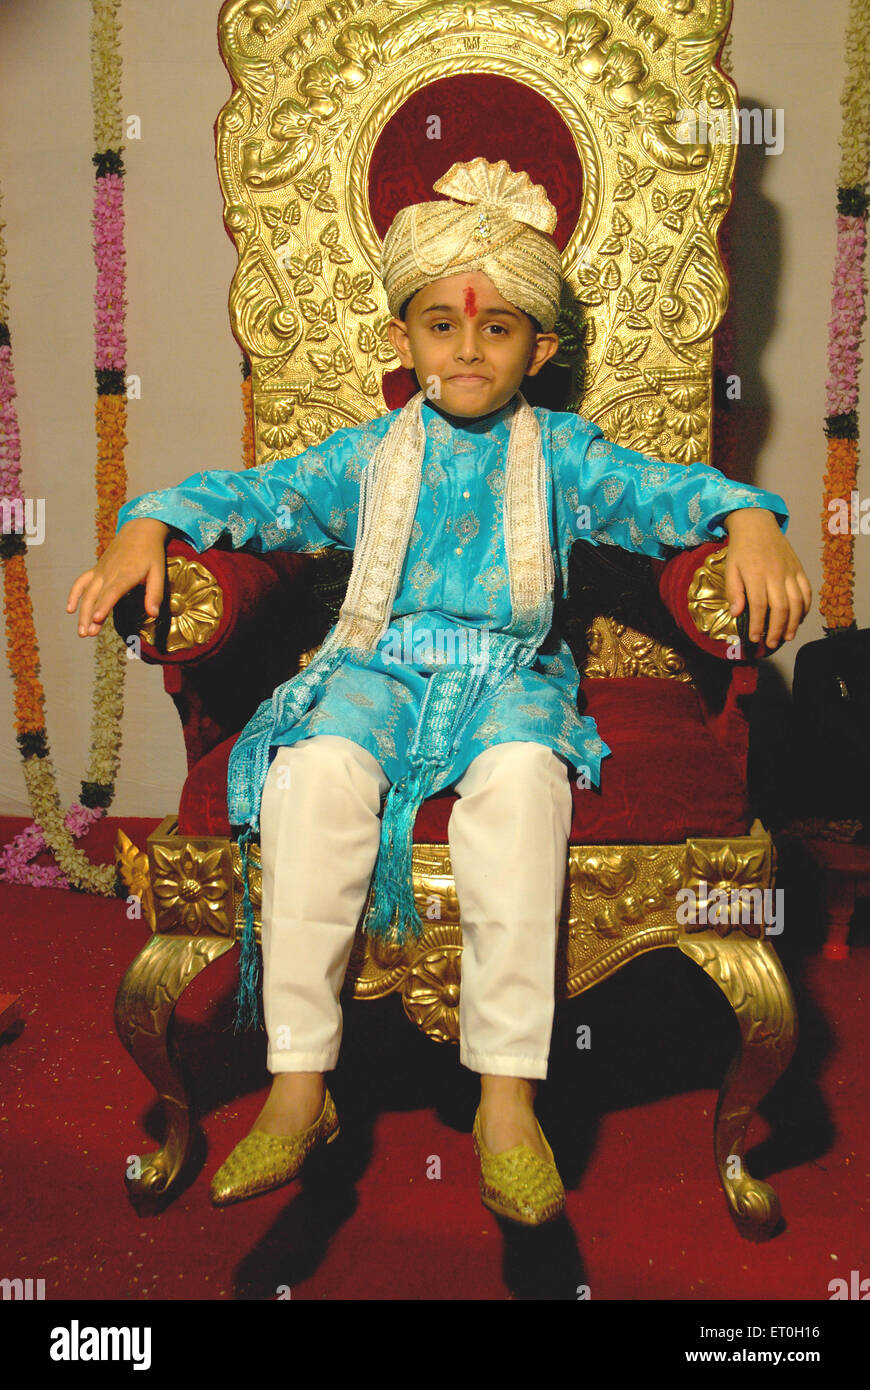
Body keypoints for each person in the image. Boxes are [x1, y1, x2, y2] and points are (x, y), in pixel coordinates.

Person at [66, 158, 812, 1227]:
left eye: (498, 328)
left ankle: (508, 1094)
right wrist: (151, 520)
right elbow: (256, 498)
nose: (468, 348)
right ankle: (298, 1080)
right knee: (315, 771)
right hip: (373, 673)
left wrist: (748, 520)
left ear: (540, 349)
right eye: (442, 327)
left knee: (522, 782)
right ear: (403, 342)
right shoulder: (368, 455)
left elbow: (663, 494)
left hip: (510, 677)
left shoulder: (562, 452)